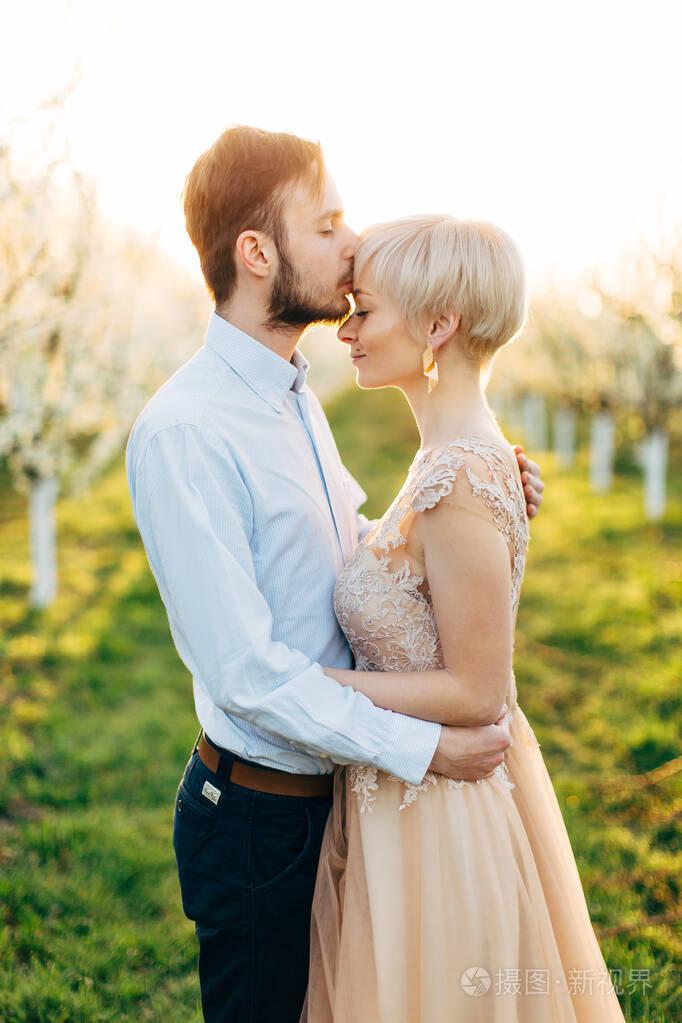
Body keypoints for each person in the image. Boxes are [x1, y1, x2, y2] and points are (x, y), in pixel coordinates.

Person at [124, 126, 545, 1023]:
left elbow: (345, 543)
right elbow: (245, 676)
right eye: (328, 224)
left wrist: (463, 509)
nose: (350, 244)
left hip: (347, 800)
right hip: (260, 822)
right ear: (256, 251)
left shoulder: (291, 393)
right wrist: (426, 748)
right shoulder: (185, 432)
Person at [300, 215, 626, 1022]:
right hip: (407, 797)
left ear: (438, 325)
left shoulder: (463, 473)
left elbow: (480, 690)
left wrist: (318, 684)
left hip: (441, 818)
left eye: (363, 310)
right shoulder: (455, 461)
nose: (345, 330)